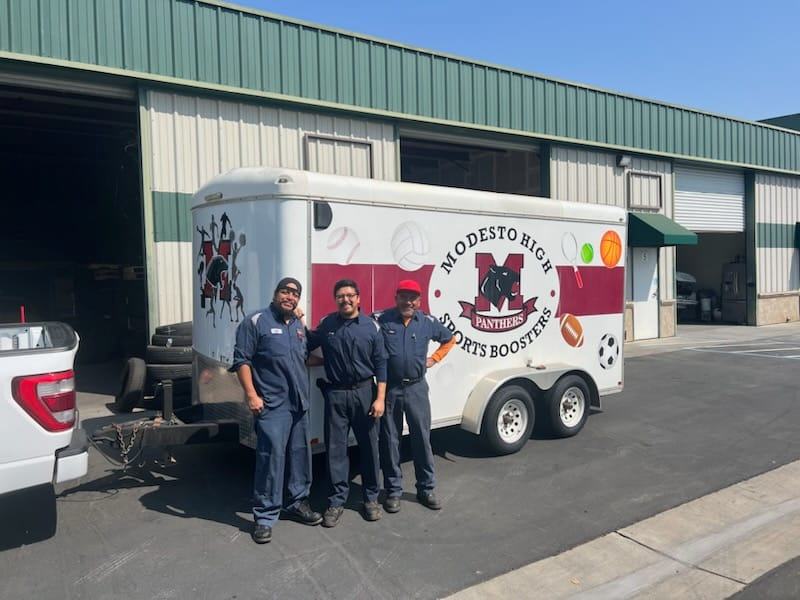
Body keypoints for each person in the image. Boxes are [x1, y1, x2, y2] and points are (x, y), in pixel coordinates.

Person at [230, 277, 322, 544]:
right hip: (271, 405)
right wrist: (251, 395)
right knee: (270, 460)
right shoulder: (256, 321)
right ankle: (265, 516)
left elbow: (304, 357)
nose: (290, 297)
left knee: (300, 457)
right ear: (275, 293)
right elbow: (242, 360)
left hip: (299, 405)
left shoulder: (297, 326)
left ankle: (296, 503)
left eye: (295, 294)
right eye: (285, 291)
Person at [307, 279, 387, 527]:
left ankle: (371, 498)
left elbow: (382, 364)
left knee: (369, 448)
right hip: (335, 395)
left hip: (365, 392)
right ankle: (336, 501)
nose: (346, 300)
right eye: (340, 296)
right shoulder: (327, 324)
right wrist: (319, 362)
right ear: (336, 299)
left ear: (359, 298)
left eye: (350, 295)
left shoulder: (372, 327)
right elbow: (304, 345)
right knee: (335, 450)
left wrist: (380, 398)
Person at [374, 279, 455, 512]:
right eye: (403, 296)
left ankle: (426, 488)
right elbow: (357, 323)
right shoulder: (381, 319)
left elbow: (450, 339)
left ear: (419, 301)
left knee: (421, 438)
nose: (408, 301)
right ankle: (393, 491)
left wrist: (435, 359)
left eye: (413, 298)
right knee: (391, 441)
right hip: (390, 389)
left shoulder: (428, 323)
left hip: (417, 388)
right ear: (396, 298)